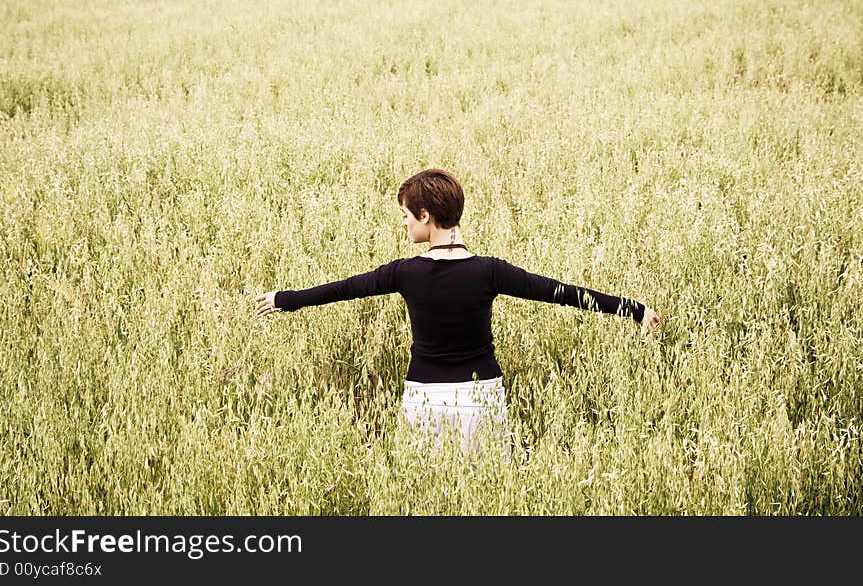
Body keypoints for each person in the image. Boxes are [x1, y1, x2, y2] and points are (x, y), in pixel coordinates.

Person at [254, 168, 661, 456]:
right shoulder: (490, 271)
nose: (405, 224)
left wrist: (284, 299)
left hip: (424, 401)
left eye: (406, 216)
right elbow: (563, 293)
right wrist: (635, 310)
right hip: (482, 398)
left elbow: (342, 290)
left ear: (425, 216)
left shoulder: (405, 273)